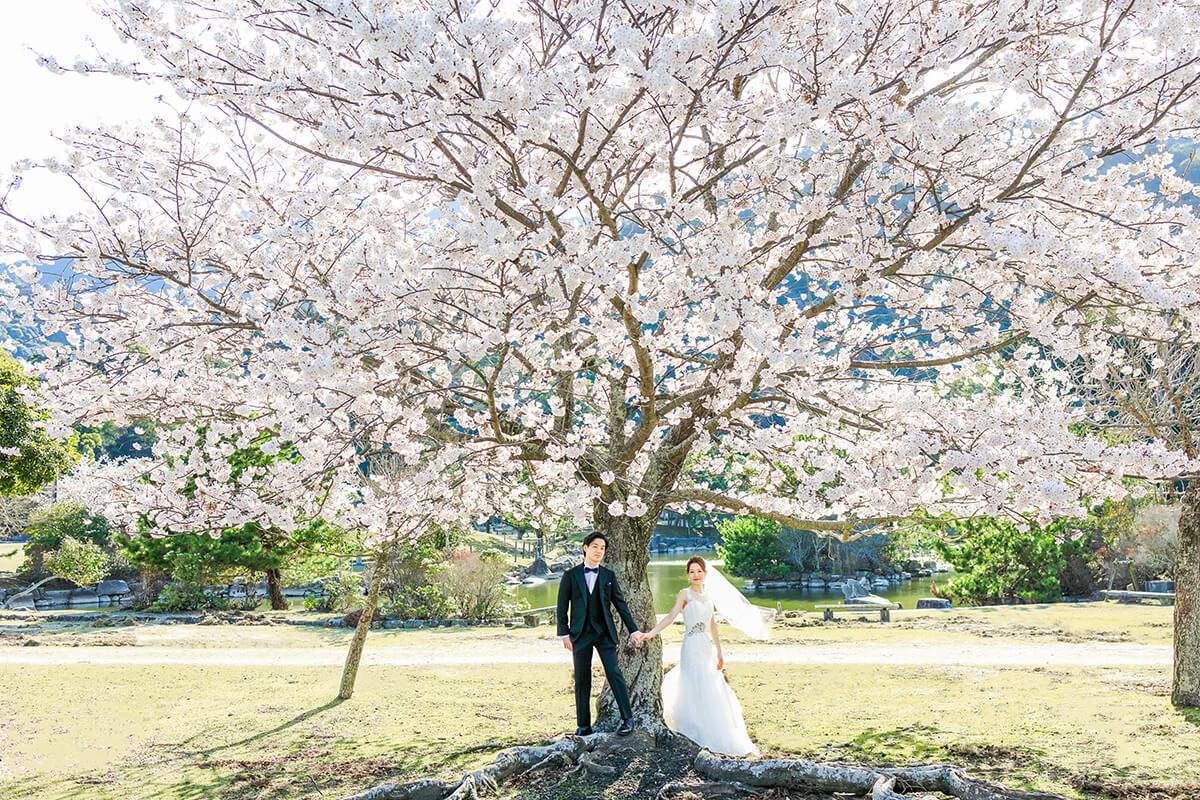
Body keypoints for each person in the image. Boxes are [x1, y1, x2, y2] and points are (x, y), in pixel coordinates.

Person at [633, 555, 773, 756]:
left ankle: (713, 730)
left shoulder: (709, 595)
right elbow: (672, 616)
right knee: (692, 682)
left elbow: (712, 624)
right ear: (688, 575)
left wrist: (719, 651)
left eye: (699, 571)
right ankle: (693, 729)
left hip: (706, 646)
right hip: (690, 644)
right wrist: (651, 633)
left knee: (710, 685)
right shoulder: (685, 594)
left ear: (705, 573)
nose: (696, 575)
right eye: (692, 572)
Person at [556, 532, 642, 736]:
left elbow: (620, 604)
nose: (599, 551)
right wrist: (563, 634)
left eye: (602, 548)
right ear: (585, 547)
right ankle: (583, 726)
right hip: (580, 634)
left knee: (614, 672)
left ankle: (627, 719)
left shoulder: (608, 576)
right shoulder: (571, 575)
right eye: (595, 546)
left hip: (604, 633)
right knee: (582, 678)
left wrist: (634, 630)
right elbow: (561, 607)